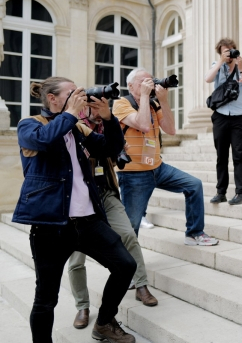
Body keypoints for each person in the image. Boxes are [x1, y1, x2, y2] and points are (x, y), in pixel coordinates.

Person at [13, 77, 137, 343]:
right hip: (52, 227)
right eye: (72, 93)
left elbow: (111, 150)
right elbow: (44, 141)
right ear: (53, 99)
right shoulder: (30, 125)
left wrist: (108, 119)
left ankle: (104, 322)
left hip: (88, 221)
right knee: (46, 298)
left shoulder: (79, 129)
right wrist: (70, 114)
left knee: (125, 265)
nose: (80, 96)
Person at [68, 105, 158, 331]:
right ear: (85, 106)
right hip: (81, 200)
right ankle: (82, 305)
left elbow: (117, 159)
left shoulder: (109, 125)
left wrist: (117, 146)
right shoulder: (73, 127)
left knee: (128, 234)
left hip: (105, 192)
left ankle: (141, 285)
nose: (102, 111)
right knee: (77, 257)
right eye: (97, 106)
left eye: (105, 105)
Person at [113, 68, 218, 246]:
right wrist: (146, 97)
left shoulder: (154, 104)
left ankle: (194, 233)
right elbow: (143, 125)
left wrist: (163, 100)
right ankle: (126, 263)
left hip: (158, 168)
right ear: (130, 86)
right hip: (134, 174)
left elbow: (170, 129)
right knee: (131, 225)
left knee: (194, 185)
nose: (150, 85)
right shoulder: (121, 104)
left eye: (151, 81)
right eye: (143, 82)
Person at [204, 38, 242, 205]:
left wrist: (240, 70)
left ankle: (240, 193)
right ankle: (221, 192)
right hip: (221, 116)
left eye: (231, 51)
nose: (229, 54)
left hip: (239, 117)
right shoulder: (217, 66)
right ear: (220, 53)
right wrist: (220, 62)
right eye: (225, 52)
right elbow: (208, 79)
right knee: (222, 155)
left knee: (239, 155)